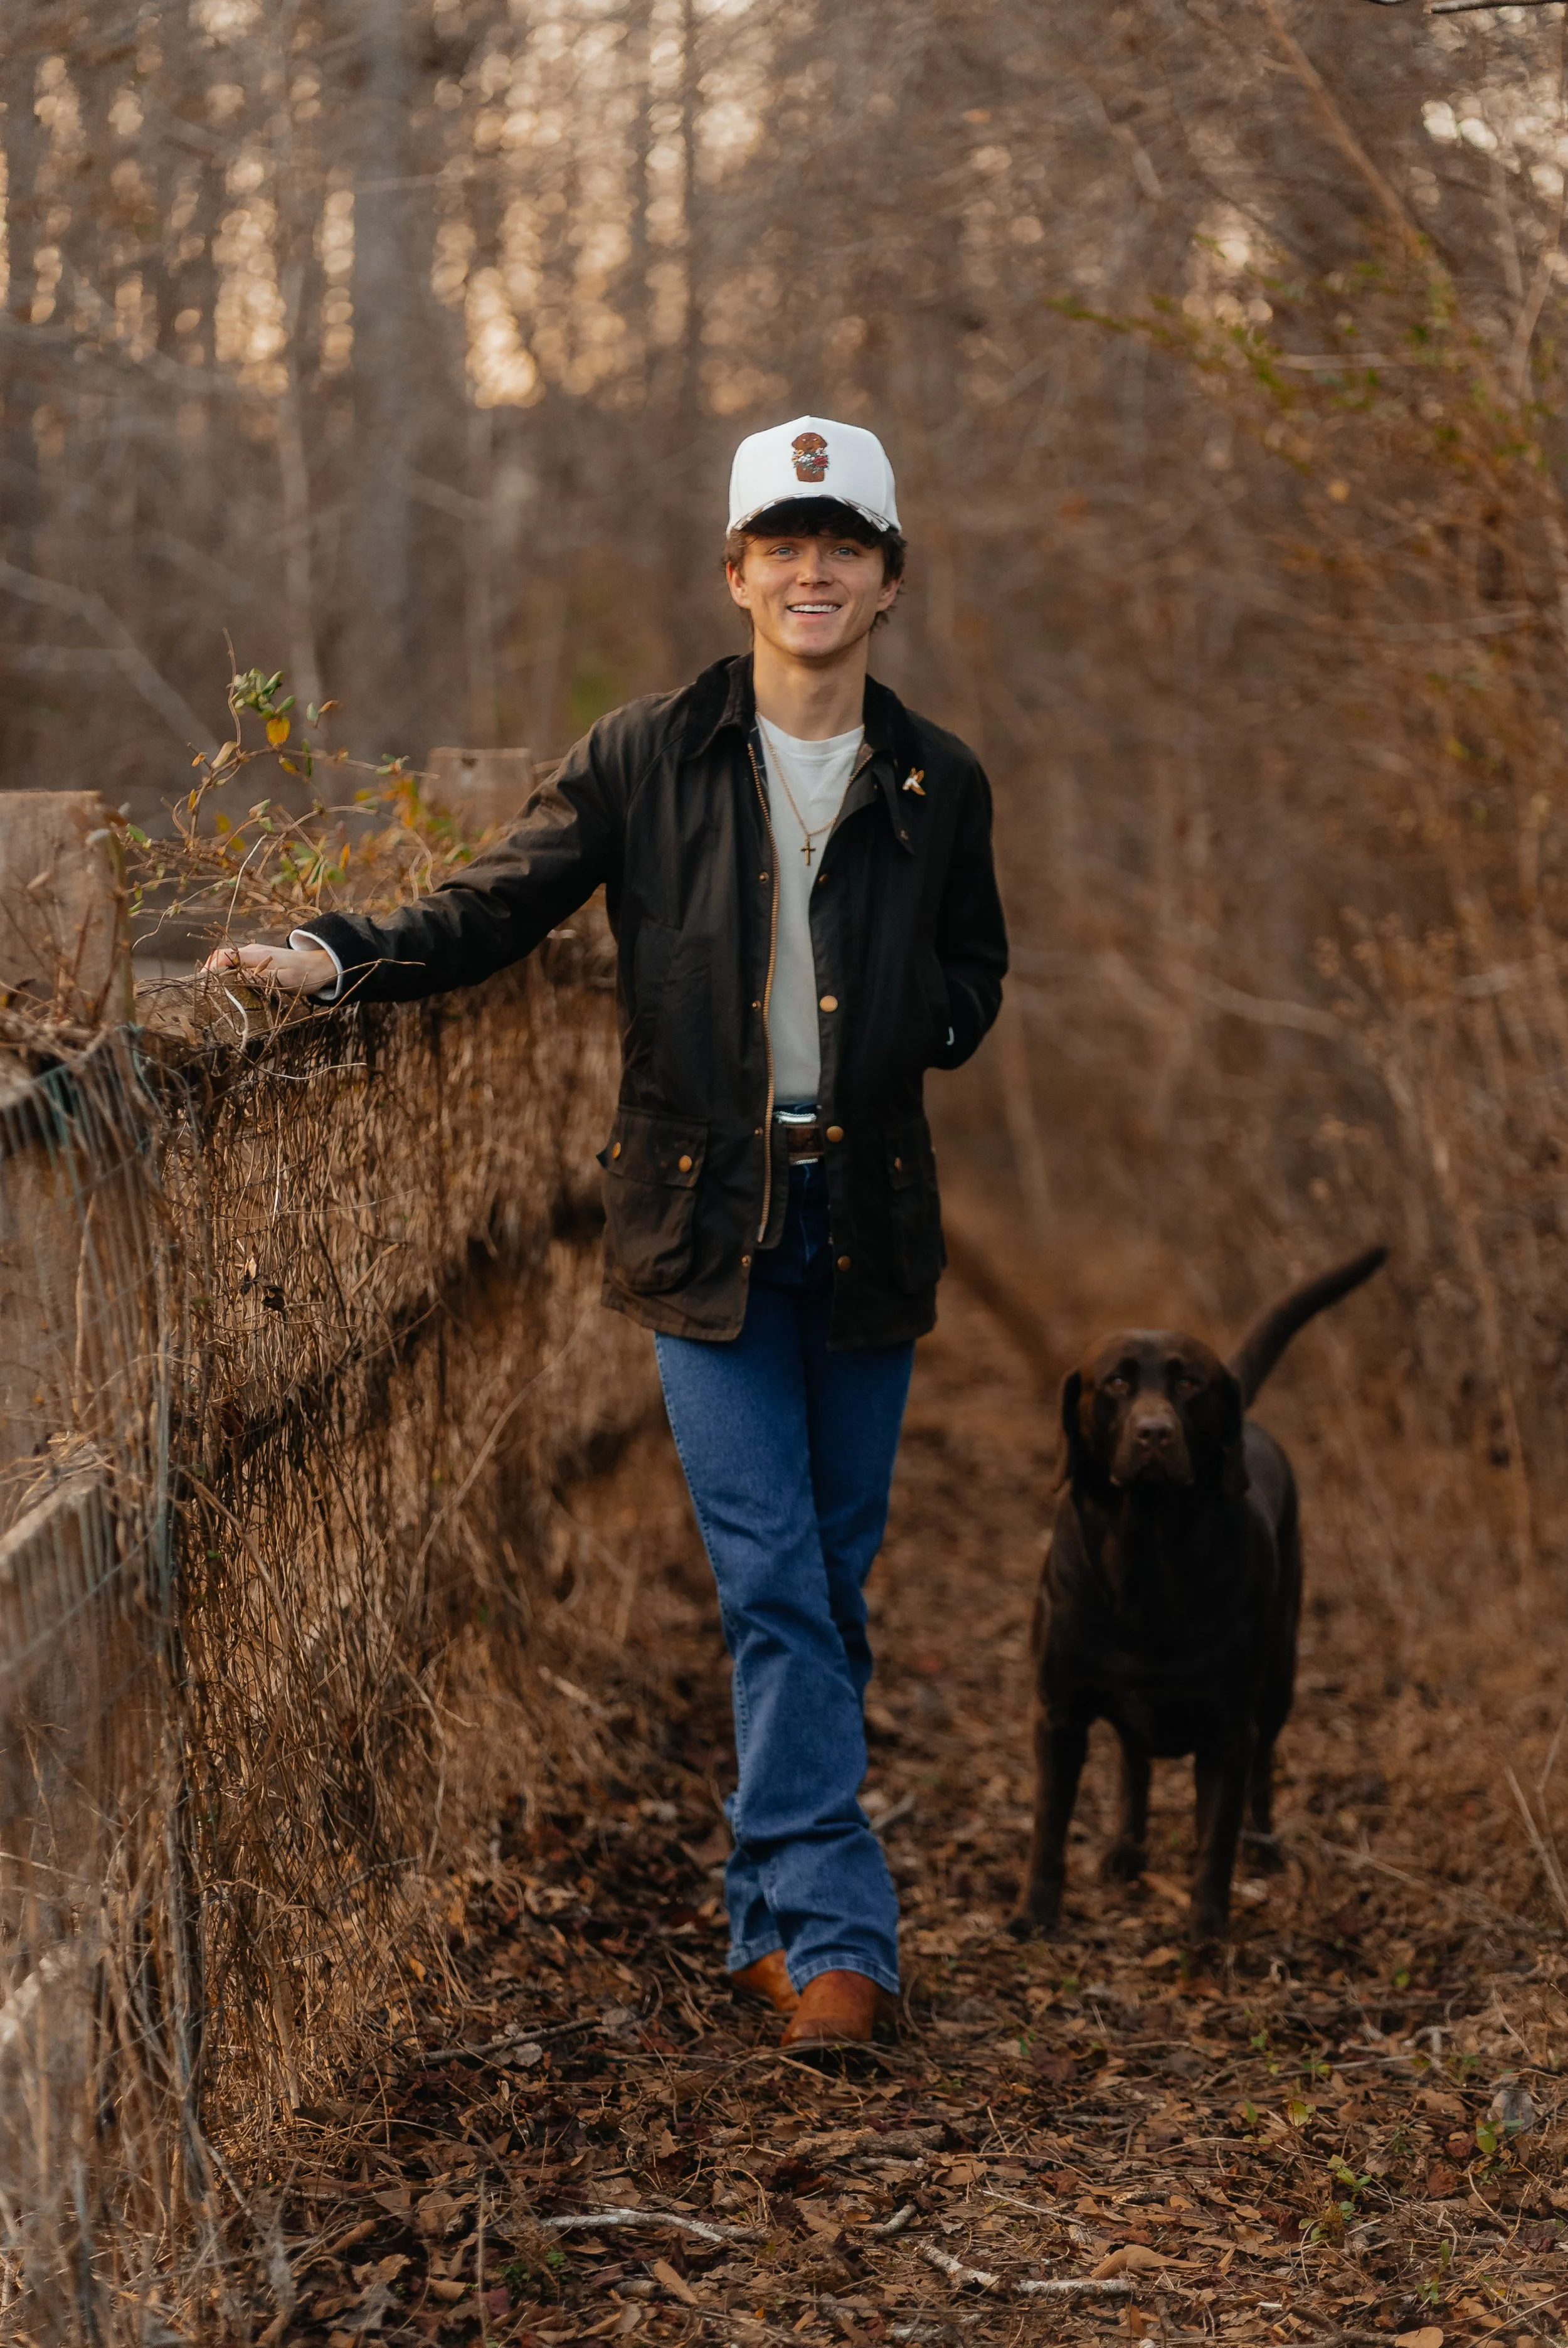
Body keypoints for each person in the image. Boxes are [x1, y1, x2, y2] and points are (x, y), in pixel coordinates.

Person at [209, 416, 1008, 2047]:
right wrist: (332, 951)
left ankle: (761, 1912)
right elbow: (494, 905)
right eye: (781, 544)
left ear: (887, 579)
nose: (811, 568)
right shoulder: (646, 755)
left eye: (840, 542)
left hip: (867, 1226)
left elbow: (977, 972)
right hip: (700, 1229)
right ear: (734, 574)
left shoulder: (940, 777)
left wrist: (917, 1021)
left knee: (833, 1584)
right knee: (774, 1577)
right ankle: (843, 1927)